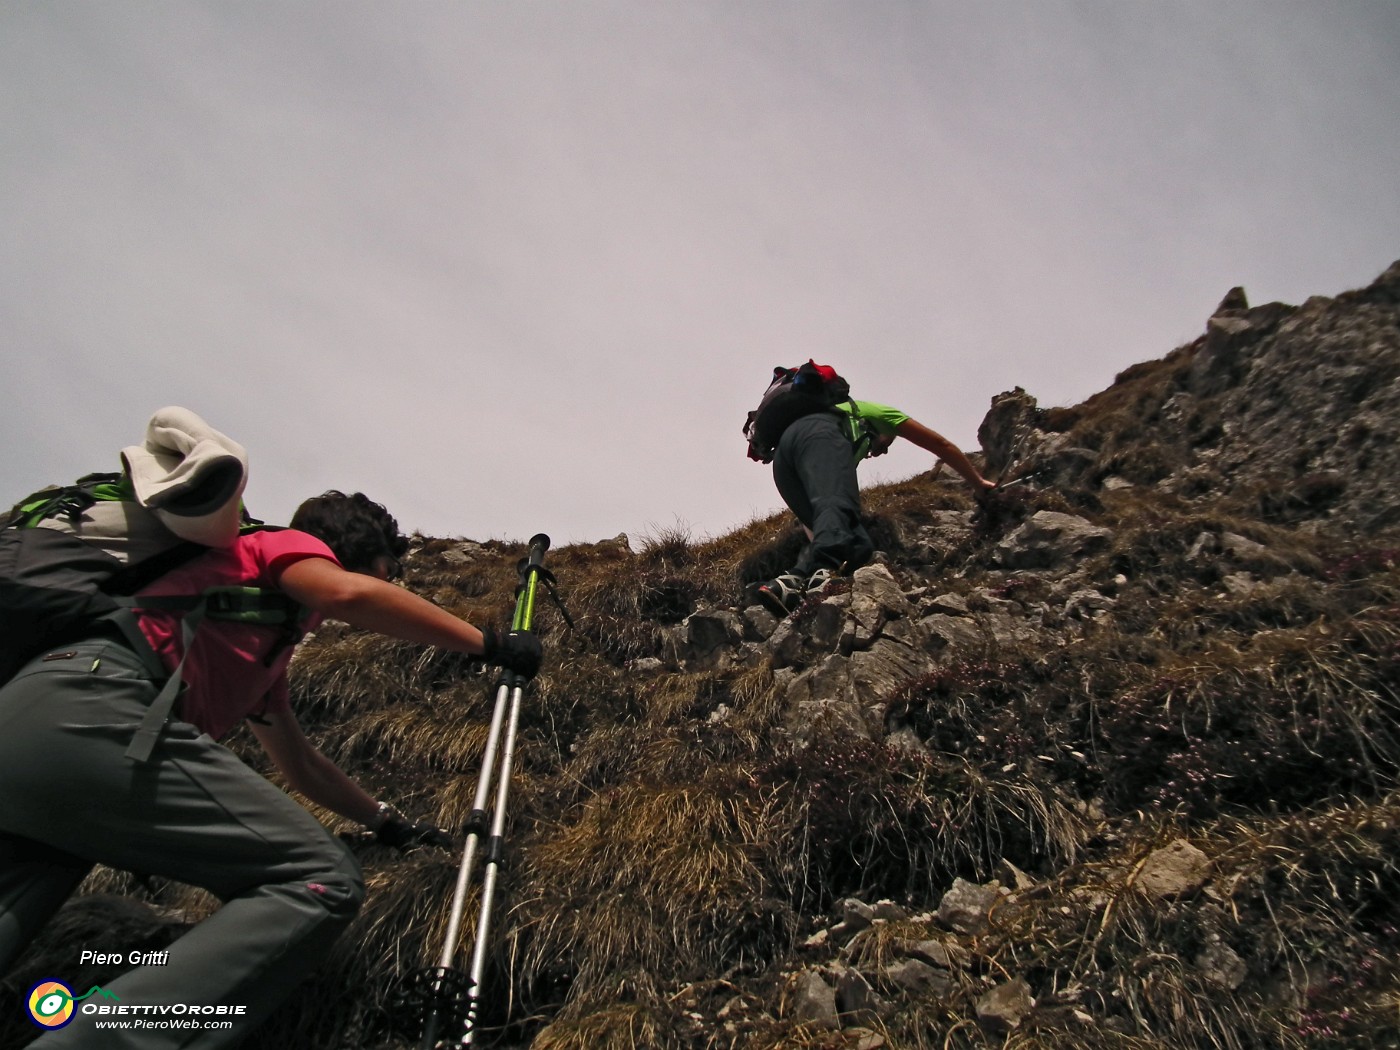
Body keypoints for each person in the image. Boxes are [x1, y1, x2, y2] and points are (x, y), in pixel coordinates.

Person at [0, 490, 541, 1048]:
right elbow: (347, 591)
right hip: (99, 704)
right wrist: (490, 644)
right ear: (359, 549)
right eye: (391, 567)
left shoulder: (255, 638)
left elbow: (301, 764)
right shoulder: (283, 544)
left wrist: (388, 823)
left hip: (29, 724)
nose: (395, 580)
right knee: (318, 882)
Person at [756, 399, 996, 615]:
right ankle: (825, 575)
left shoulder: (844, 441)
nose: (886, 449)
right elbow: (941, 444)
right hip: (817, 435)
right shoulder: (879, 414)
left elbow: (821, 521)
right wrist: (978, 482)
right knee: (841, 508)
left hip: (783, 462)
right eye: (889, 440)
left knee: (857, 540)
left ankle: (789, 584)